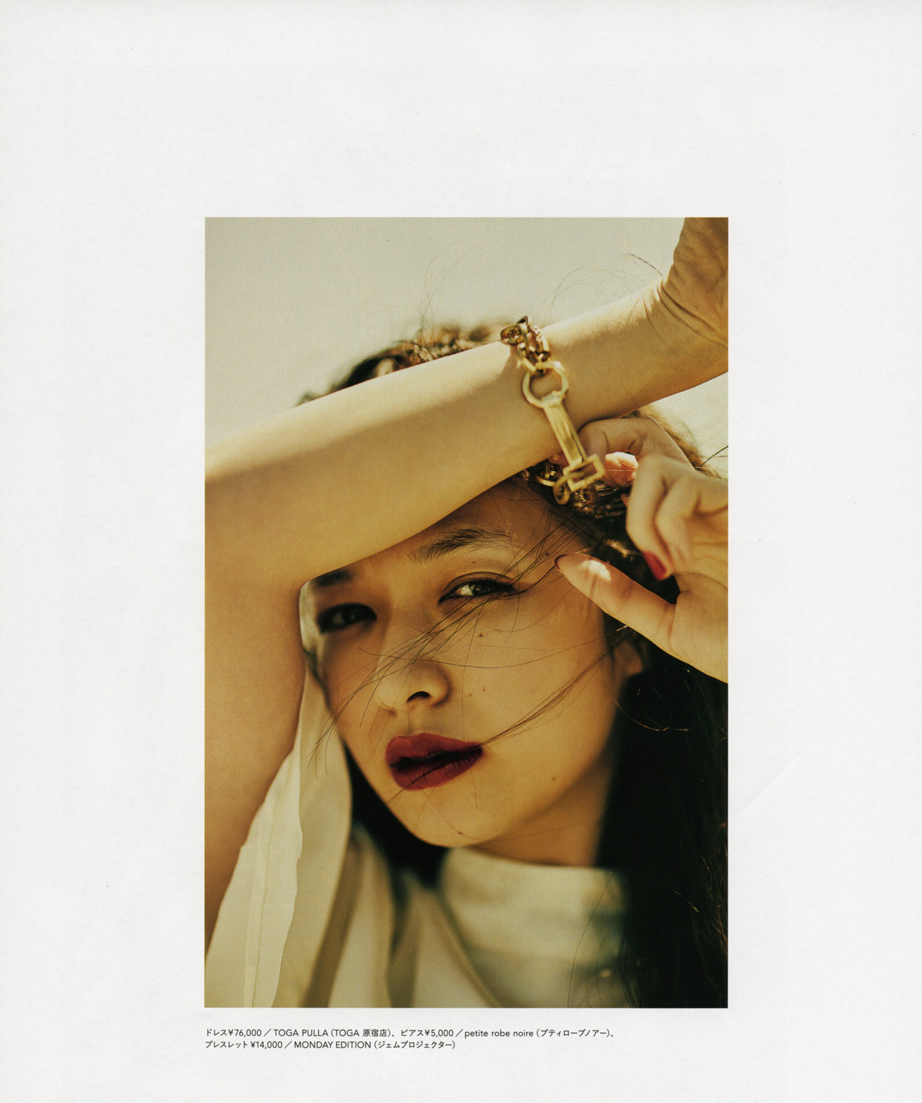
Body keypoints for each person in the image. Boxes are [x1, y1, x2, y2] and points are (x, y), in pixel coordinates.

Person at [205, 218, 728, 1008]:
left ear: (641, 605)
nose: (395, 684)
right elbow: (220, 531)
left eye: (474, 588)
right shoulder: (297, 921)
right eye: (344, 615)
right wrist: (673, 328)